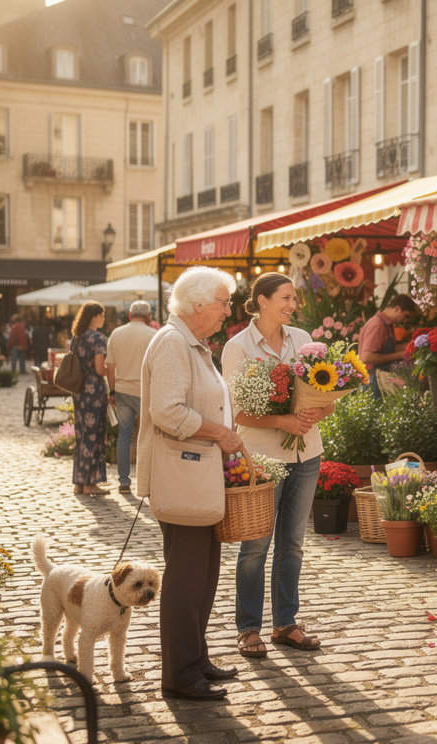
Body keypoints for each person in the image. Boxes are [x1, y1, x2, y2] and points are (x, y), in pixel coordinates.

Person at [138, 266, 245, 701]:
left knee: (203, 575)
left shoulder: (193, 343)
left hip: (199, 477)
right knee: (186, 580)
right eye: (223, 302)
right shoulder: (172, 343)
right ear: (198, 304)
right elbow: (167, 411)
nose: (227, 311)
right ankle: (180, 673)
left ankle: (195, 658)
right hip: (182, 477)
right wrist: (219, 432)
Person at [222, 273, 335, 660]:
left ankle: (285, 623)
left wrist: (313, 414)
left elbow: (329, 395)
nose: (292, 304)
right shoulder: (237, 348)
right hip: (262, 460)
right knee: (255, 545)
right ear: (263, 300)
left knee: (294, 544)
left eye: (294, 298)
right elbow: (236, 413)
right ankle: (248, 627)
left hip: (307, 454)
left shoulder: (303, 340)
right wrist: (282, 421)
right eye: (285, 297)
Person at [106, 301, 158, 494]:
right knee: (149, 436)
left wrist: (112, 391)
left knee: (124, 436)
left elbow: (110, 366)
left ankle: (123, 480)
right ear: (149, 316)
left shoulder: (116, 334)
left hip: (122, 390)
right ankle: (148, 481)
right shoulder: (153, 335)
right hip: (145, 392)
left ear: (129, 315)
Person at [70, 302, 110, 496]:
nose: (103, 319)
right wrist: (114, 369)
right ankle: (89, 484)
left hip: (79, 392)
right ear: (95, 316)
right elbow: (100, 368)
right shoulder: (98, 338)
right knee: (94, 436)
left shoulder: (76, 337)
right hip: (94, 392)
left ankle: (79, 482)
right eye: (102, 315)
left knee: (82, 436)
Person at [358, 294, 418, 398]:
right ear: (397, 309)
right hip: (374, 382)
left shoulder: (386, 324)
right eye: (406, 316)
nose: (405, 321)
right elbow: (367, 357)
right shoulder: (377, 324)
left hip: (382, 380)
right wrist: (399, 355)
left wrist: (408, 347)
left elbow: (385, 349)